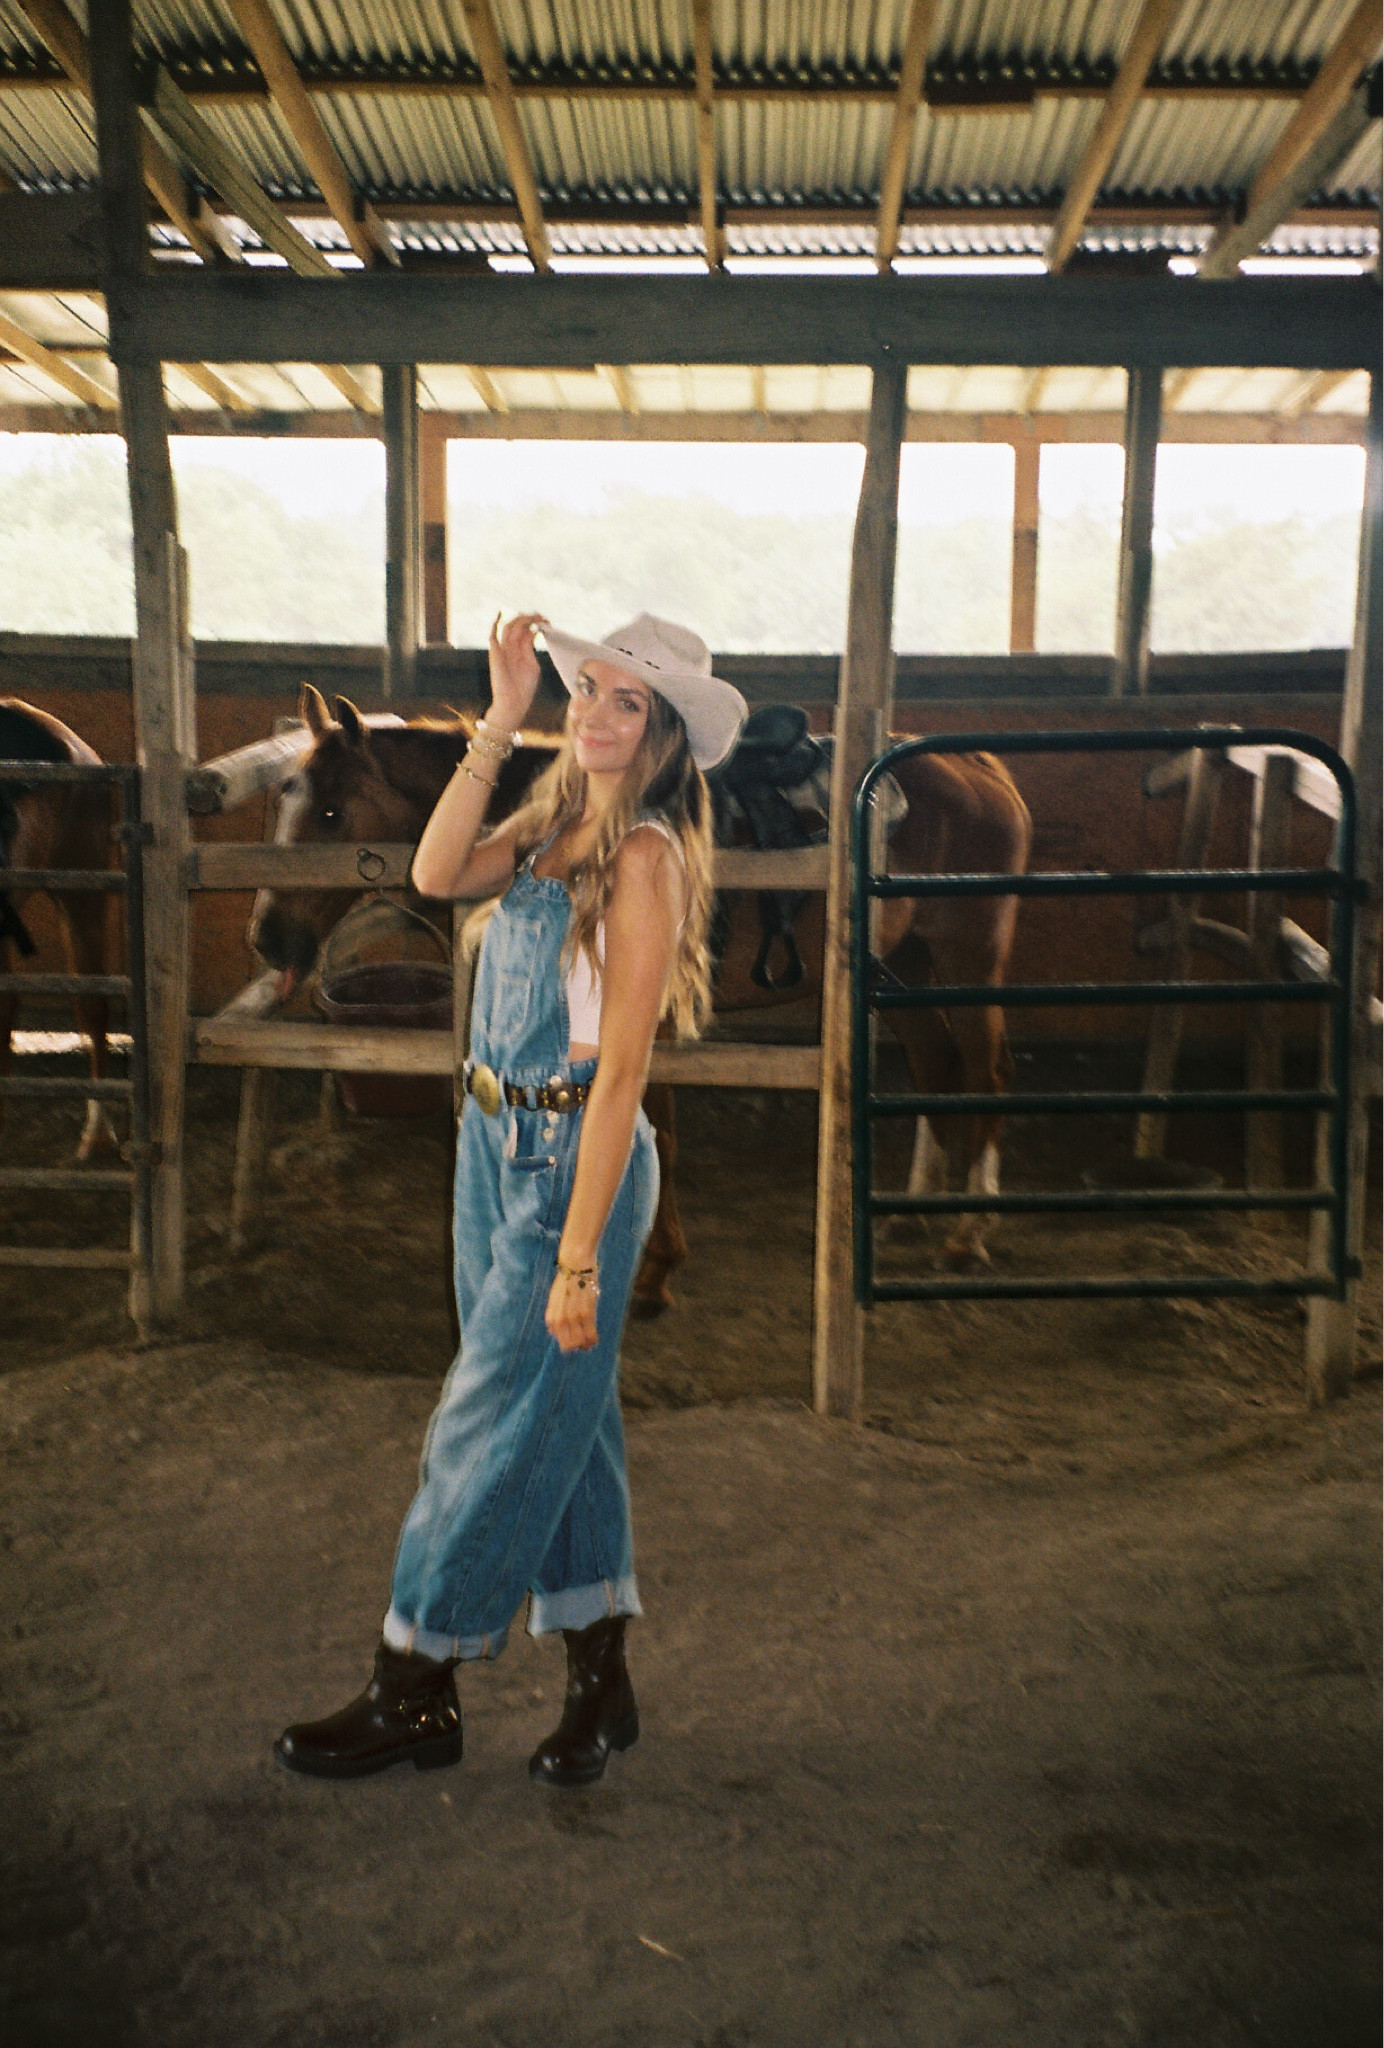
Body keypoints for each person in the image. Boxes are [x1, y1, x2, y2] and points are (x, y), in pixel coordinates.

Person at [275, 612, 746, 1788]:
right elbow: (432, 872)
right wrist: (498, 717)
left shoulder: (642, 857)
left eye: (623, 700)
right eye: (585, 689)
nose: (591, 710)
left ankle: (414, 1680)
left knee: (481, 1423)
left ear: (664, 733)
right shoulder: (547, 831)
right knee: (563, 1421)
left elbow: (623, 1070)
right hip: (489, 1143)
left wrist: (582, 1254)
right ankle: (602, 1683)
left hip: (567, 1160)